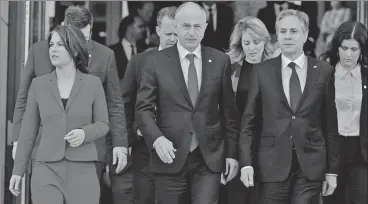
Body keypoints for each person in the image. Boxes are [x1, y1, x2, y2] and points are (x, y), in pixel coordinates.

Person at [135, 2, 239, 204]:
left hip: (208, 157)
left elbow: (229, 113)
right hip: (169, 155)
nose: (192, 32)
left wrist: (232, 154)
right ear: (176, 27)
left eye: (197, 26)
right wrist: (156, 139)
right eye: (186, 26)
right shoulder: (155, 61)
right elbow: (143, 108)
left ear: (205, 27)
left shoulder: (220, 61)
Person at [11, 4, 128, 177]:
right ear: (63, 27)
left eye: (84, 38)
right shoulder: (39, 51)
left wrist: (120, 144)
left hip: (90, 149)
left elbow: (114, 103)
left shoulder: (105, 55)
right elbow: (24, 98)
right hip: (45, 147)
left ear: (91, 29)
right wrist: (17, 140)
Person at [239, 9, 339, 204]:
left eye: (293, 31)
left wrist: (332, 171)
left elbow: (330, 125)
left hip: (310, 165)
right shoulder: (262, 72)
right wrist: (246, 164)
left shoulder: (324, 72)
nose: (287, 36)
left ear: (305, 34)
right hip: (271, 164)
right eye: (282, 31)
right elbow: (249, 121)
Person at [9, 25, 109, 204]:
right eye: (51, 44)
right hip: (46, 167)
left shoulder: (93, 84)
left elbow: (103, 123)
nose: (53, 49)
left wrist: (85, 133)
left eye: (60, 45)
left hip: (83, 169)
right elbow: (27, 132)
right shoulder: (38, 85)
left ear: (75, 50)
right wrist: (18, 171)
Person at [122, 6, 177, 204]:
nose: (173, 38)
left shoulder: (193, 64)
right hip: (145, 152)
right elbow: (124, 106)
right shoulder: (139, 62)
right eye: (168, 33)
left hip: (181, 153)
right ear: (158, 30)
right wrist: (135, 132)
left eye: (177, 33)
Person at [219, 16, 276, 204]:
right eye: (247, 43)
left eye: (256, 42)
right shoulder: (230, 67)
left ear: (266, 41)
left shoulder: (276, 67)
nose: (252, 48)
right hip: (236, 143)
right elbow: (224, 112)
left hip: (267, 144)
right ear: (239, 44)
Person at [321, 21, 368, 204]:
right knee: (333, 200)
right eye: (344, 48)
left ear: (362, 49)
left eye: (354, 49)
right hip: (333, 149)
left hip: (361, 151)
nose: (349, 54)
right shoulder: (325, 75)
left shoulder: (366, 76)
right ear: (337, 47)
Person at [109, 14, 146, 81]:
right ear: (130, 28)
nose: (144, 29)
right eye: (140, 26)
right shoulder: (111, 51)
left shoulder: (144, 52)